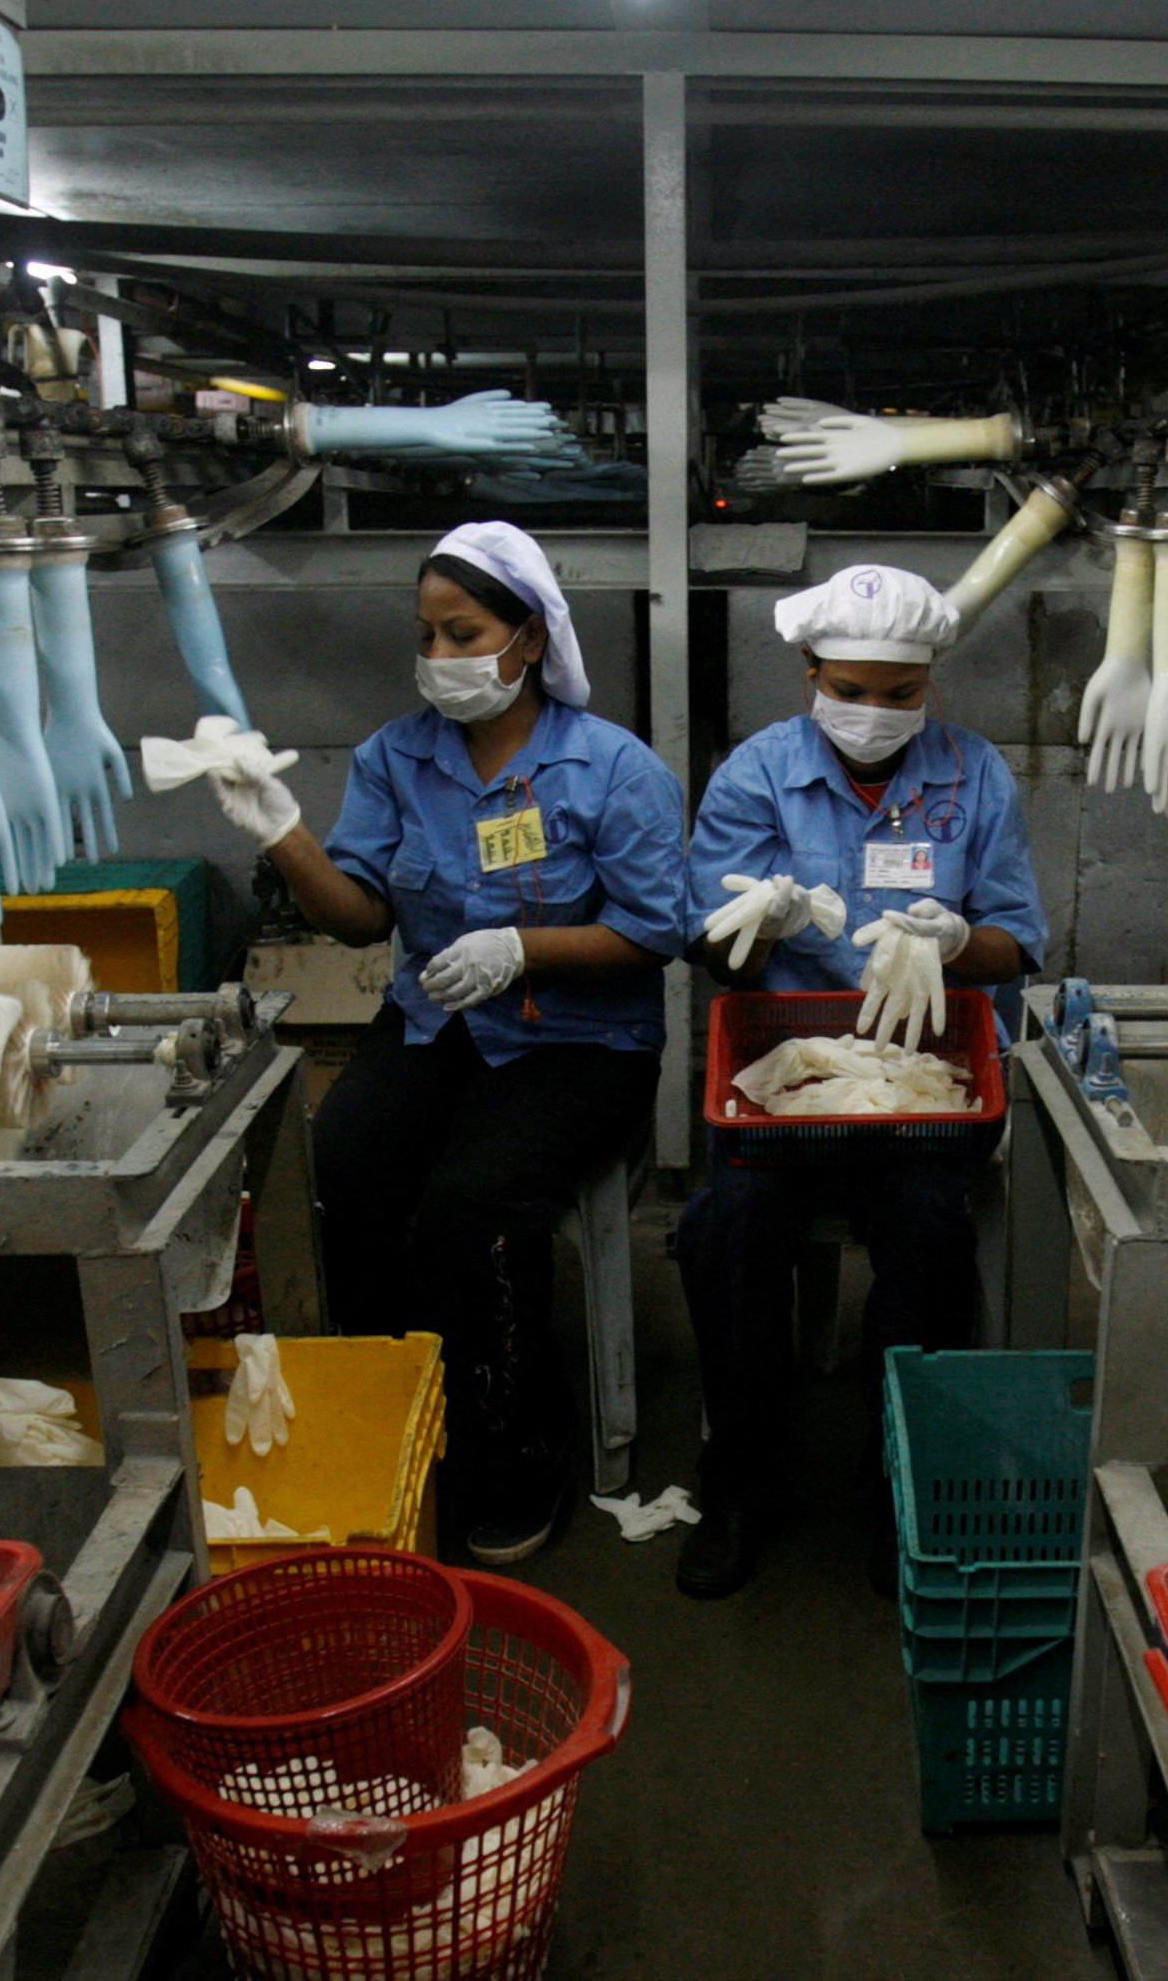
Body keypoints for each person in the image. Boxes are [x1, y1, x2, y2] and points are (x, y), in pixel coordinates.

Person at [179, 523, 687, 1562]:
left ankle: (511, 1449)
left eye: (466, 633)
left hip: (582, 1038)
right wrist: (281, 832)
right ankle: (404, 1415)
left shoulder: (608, 768)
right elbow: (361, 918)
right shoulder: (395, 757)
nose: (443, 657)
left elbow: (655, 930)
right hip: (439, 1018)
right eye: (429, 635)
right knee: (344, 1172)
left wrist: (522, 948)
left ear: (528, 639)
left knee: (471, 1207)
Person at [678, 562, 1046, 1599]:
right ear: (807, 673)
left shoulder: (973, 778)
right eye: (848, 689)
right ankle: (744, 1478)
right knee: (727, 1227)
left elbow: (1019, 944)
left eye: (898, 695)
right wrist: (765, 924)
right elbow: (718, 954)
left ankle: (897, 1484)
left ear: (928, 685)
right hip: (786, 1080)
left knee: (930, 1235)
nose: (872, 714)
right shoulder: (755, 775)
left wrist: (956, 937)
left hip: (922, 1083)